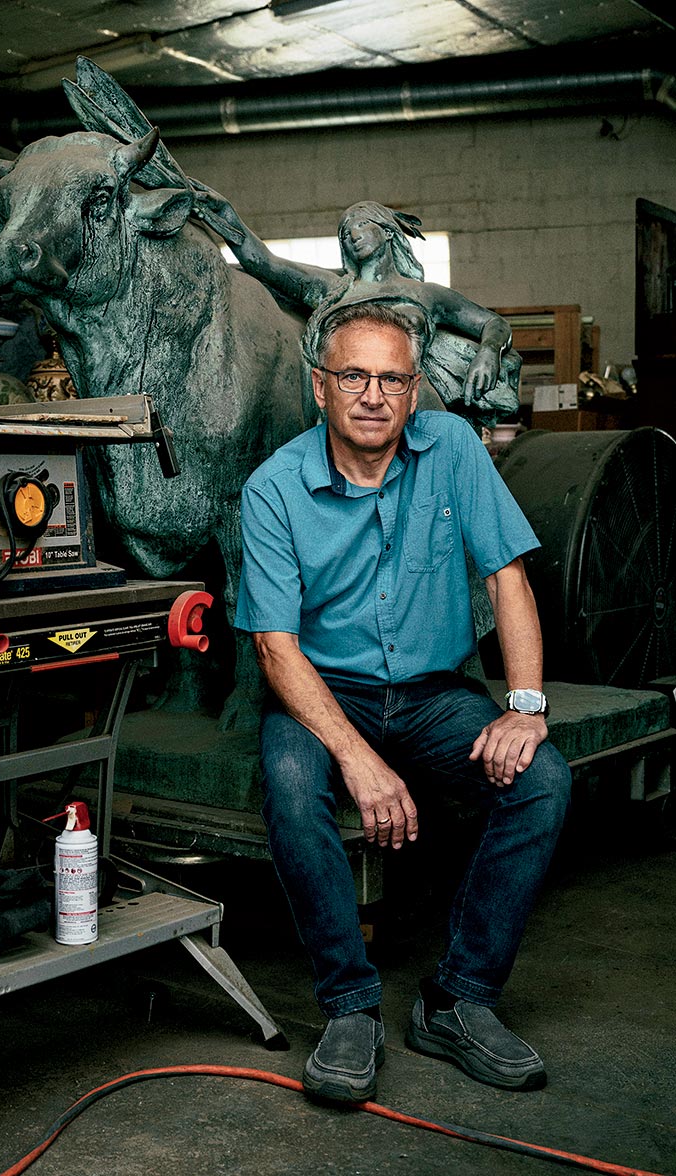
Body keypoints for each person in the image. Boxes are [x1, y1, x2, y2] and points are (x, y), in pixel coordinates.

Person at [234, 299, 570, 1101]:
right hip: (322, 692)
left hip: (432, 692)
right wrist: (358, 759)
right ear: (321, 387)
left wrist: (525, 706)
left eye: (393, 378)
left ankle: (458, 1001)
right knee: (289, 783)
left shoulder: (452, 447)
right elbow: (275, 648)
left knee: (544, 781)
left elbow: (507, 575)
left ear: (414, 393)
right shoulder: (274, 488)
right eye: (354, 375)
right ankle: (350, 1006)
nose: (373, 394)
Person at [194, 190, 520, 422]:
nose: (352, 234)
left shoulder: (426, 294)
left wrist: (488, 351)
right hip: (343, 403)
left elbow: (493, 324)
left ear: (388, 231)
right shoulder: (333, 289)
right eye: (345, 232)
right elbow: (265, 263)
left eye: (362, 224)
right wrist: (225, 215)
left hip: (408, 401)